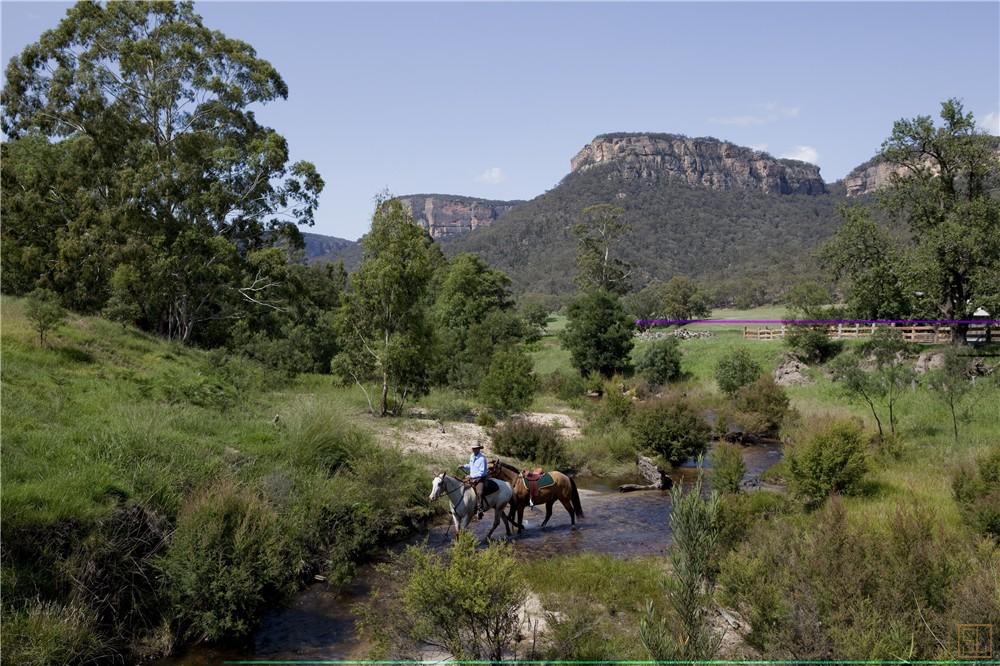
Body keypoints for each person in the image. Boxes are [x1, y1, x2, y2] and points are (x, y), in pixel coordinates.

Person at [460, 443, 488, 519]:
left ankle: (479, 509)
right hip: (472, 477)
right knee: (461, 486)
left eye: (475, 448)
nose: (474, 450)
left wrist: (471, 476)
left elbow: (482, 472)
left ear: (479, 449)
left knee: (479, 492)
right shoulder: (472, 456)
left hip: (480, 478)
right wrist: (464, 466)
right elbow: (471, 465)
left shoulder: (482, 458)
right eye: (473, 448)